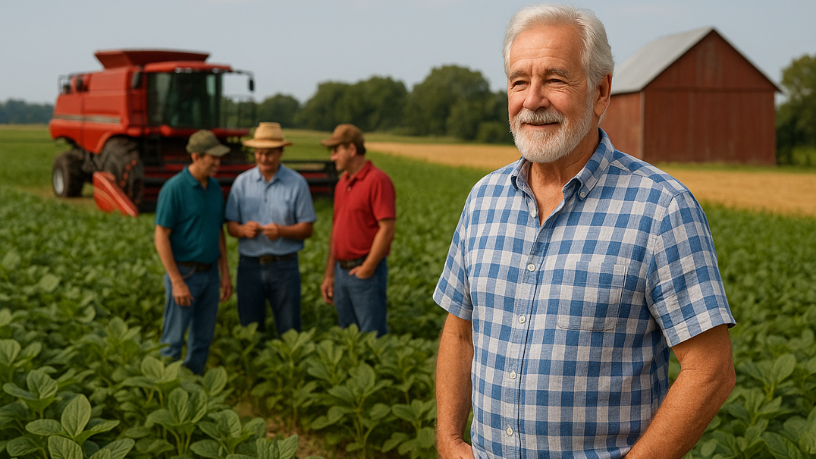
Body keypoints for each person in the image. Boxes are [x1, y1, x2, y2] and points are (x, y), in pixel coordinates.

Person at [433, 4, 736, 459]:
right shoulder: (483, 199)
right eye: (519, 81)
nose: (532, 100)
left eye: (555, 79)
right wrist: (450, 440)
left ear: (600, 91)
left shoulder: (661, 208)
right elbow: (459, 334)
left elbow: (710, 370)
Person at [225, 122, 316, 336]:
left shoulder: (297, 183)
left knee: (289, 328)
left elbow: (307, 228)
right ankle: (254, 367)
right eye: (259, 153)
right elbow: (231, 226)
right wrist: (242, 231)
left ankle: (286, 367)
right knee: (250, 327)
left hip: (284, 266)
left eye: (270, 153)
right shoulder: (241, 183)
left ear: (281, 152)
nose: (264, 158)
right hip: (249, 266)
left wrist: (282, 231)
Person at [154, 129, 233, 375]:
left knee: (203, 339)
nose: (218, 163)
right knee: (174, 339)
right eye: (213, 158)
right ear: (197, 156)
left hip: (210, 275)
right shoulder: (174, 188)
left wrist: (225, 272)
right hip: (185, 273)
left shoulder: (215, 188)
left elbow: (217, 231)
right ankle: (165, 390)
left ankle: (193, 384)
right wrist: (177, 281)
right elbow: (161, 236)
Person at [319, 124, 396, 337]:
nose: (333, 157)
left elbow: (387, 228)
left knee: (372, 336)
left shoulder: (377, 180)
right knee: (349, 336)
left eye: (336, 150)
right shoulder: (341, 184)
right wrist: (329, 275)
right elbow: (336, 233)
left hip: (365, 273)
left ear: (351, 149)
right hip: (341, 273)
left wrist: (368, 268)